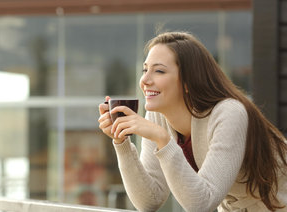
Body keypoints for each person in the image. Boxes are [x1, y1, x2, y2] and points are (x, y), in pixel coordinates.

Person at [98, 31, 287, 212]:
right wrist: (121, 142)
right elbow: (149, 201)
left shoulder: (229, 113)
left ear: (189, 81)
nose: (145, 80)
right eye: (145, 69)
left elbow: (201, 204)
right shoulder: (158, 115)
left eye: (159, 71)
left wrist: (163, 140)